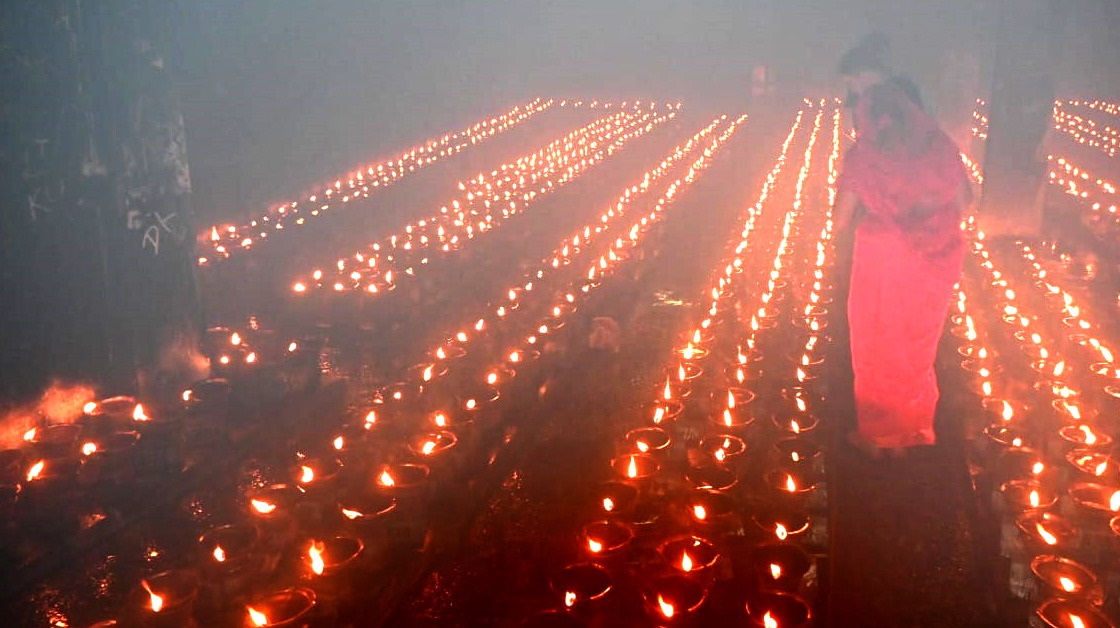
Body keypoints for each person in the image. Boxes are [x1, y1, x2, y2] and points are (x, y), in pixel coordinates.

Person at [833, 67, 972, 457]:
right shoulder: (942, 148)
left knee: (877, 349)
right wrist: (925, 219)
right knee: (914, 349)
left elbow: (841, 219)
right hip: (935, 260)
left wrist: (879, 215)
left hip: (883, 262)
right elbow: (963, 202)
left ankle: (878, 436)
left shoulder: (866, 156)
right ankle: (909, 431)